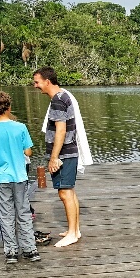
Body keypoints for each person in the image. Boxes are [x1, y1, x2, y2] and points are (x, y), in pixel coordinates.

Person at [32, 66, 92, 247]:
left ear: (47, 81)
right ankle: (75, 229)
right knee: (69, 192)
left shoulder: (58, 101)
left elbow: (61, 129)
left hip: (64, 154)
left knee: (64, 192)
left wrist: (53, 157)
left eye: (37, 82)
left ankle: (72, 233)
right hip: (68, 152)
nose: (35, 86)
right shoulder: (63, 96)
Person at [0, 91, 40, 263]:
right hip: (20, 177)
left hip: (0, 179)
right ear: (9, 107)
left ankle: (11, 253)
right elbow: (28, 151)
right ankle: (30, 249)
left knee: (5, 215)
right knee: (23, 212)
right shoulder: (20, 127)